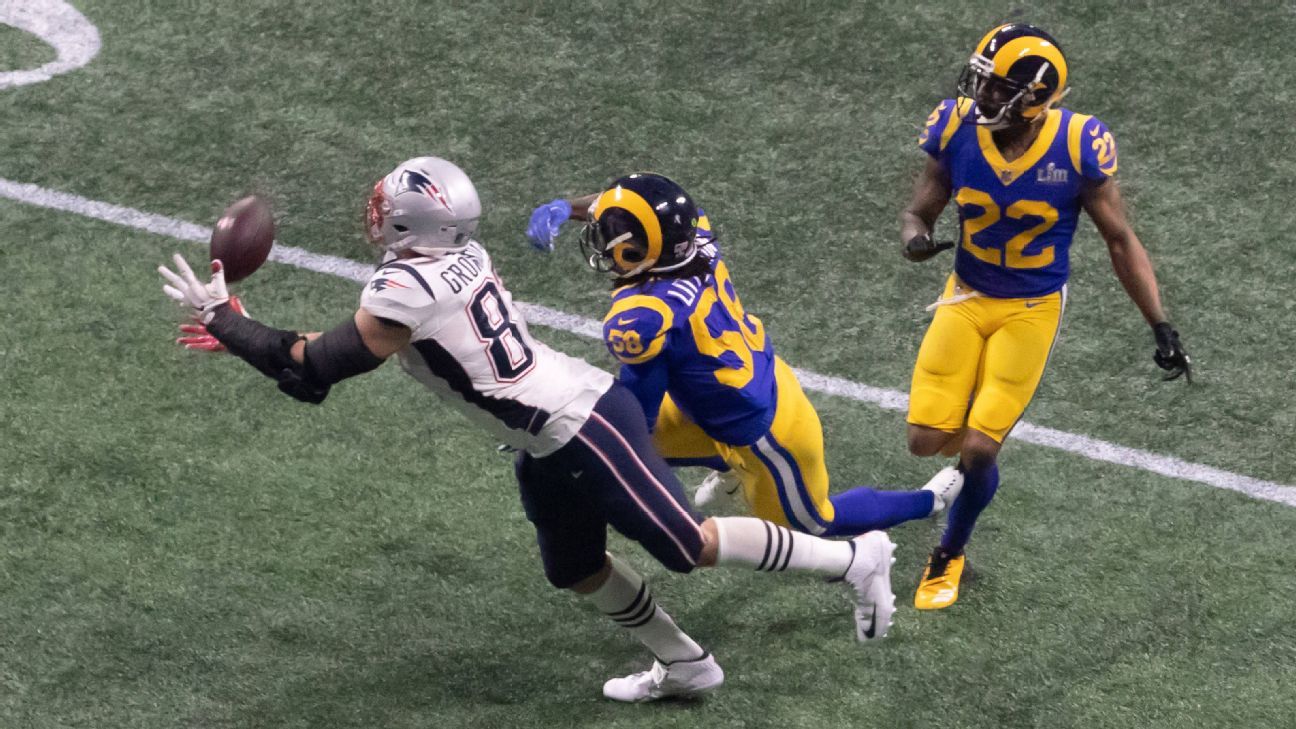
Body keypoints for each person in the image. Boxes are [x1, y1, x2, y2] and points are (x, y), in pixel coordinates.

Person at [159, 156, 899, 704]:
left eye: (386, 203)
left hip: (581, 421)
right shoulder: (459, 258)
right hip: (545, 434)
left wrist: (226, 318)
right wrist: (251, 334)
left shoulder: (402, 289)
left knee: (690, 545)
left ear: (411, 221)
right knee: (574, 565)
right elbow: (349, 346)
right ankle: (685, 663)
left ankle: (854, 559)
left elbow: (317, 370)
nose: (374, 209)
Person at [898, 24, 1192, 610]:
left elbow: (1119, 240)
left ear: (1034, 98)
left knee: (981, 449)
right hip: (965, 295)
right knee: (924, 440)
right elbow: (918, 209)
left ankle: (950, 551)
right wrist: (916, 238)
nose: (980, 97)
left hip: (1031, 309)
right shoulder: (956, 125)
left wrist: (1159, 323)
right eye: (981, 83)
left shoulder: (1079, 144)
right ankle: (969, 461)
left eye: (997, 88)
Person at [524, 174, 964, 539]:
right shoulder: (690, 234)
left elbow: (640, 414)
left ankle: (929, 500)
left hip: (762, 427)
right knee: (596, 445)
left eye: (608, 237)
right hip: (716, 391)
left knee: (814, 522)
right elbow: (639, 208)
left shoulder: (644, 316)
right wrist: (568, 205)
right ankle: (726, 466)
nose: (600, 241)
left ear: (640, 251)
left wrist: (567, 424)